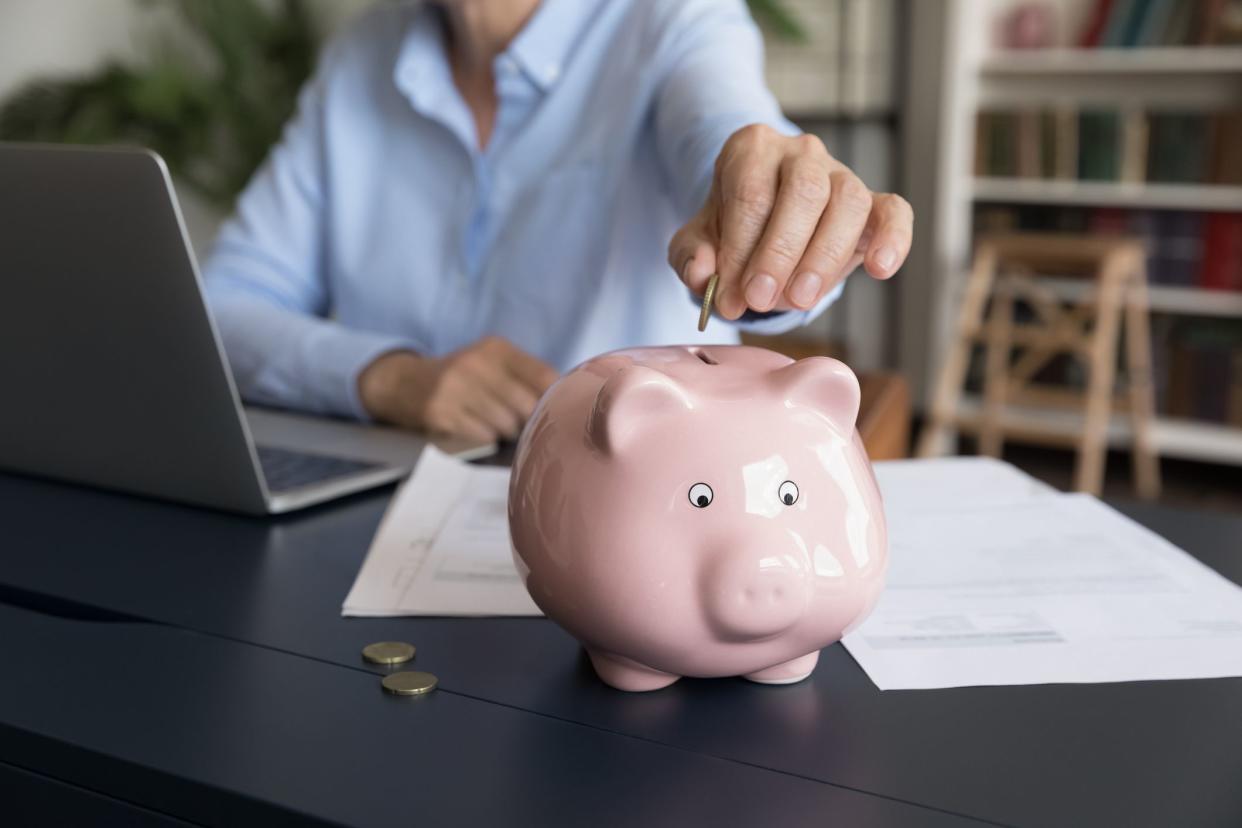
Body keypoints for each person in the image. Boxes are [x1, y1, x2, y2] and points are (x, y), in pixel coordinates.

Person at [203, 0, 913, 444]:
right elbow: (222, 306)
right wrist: (391, 380)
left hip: (629, 520)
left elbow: (726, 129)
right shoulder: (363, 53)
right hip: (386, 511)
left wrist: (768, 192)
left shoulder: (673, 21)